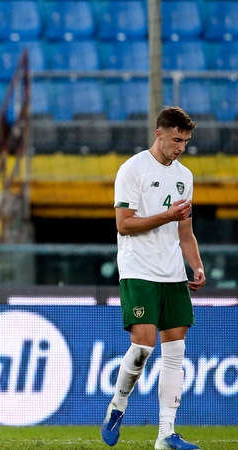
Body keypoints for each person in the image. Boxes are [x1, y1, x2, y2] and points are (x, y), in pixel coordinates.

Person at [101, 106, 206, 450]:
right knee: (144, 346)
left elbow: (185, 231)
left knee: (175, 351)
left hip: (173, 274)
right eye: (177, 139)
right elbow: (124, 224)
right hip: (139, 270)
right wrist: (166, 215)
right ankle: (118, 404)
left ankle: (165, 434)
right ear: (159, 133)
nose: (181, 147)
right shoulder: (132, 169)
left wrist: (197, 265)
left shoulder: (185, 176)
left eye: (186, 141)